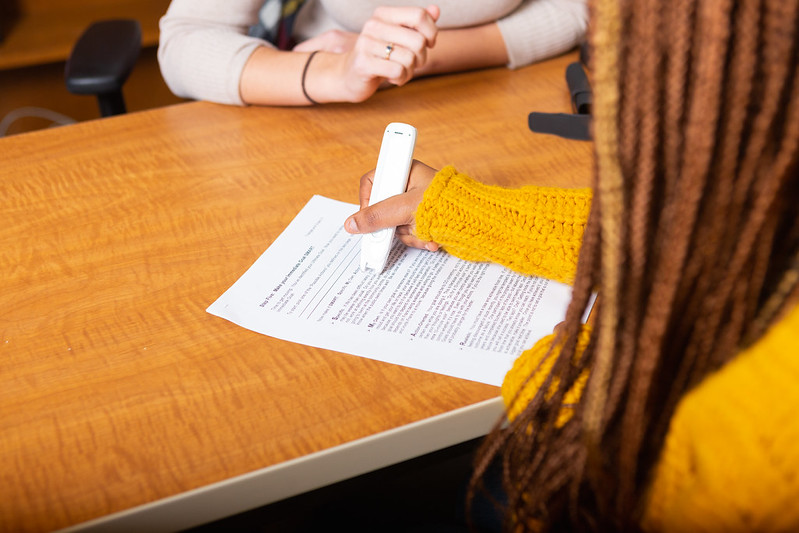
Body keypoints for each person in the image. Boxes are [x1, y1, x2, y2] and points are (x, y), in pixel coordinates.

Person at [344, 0, 799, 529]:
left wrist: (577, 351)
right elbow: (684, 234)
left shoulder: (764, 433)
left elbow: (587, 450)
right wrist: (467, 211)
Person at [157, 0, 588, 106]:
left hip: (494, 97)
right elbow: (186, 40)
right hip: (319, 107)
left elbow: (580, 7)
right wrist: (332, 72)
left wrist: (417, 58)